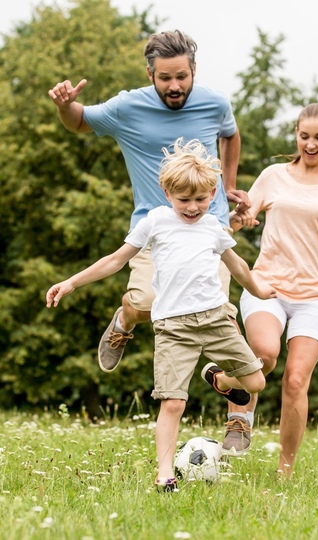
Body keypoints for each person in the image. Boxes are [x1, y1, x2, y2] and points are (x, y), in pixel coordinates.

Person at [46, 138, 276, 491]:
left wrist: (260, 290)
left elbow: (239, 266)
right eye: (184, 200)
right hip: (173, 328)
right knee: (172, 403)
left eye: (201, 199)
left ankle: (218, 379)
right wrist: (72, 282)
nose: (193, 207)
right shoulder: (155, 222)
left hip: (215, 320)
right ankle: (165, 473)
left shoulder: (214, 228)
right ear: (167, 192)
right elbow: (115, 260)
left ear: (212, 193)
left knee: (256, 381)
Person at [47, 29, 248, 374]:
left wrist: (227, 185)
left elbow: (229, 133)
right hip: (153, 230)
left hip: (209, 225)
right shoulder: (127, 107)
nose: (174, 86)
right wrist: (65, 106)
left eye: (182, 76)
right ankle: (125, 318)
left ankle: (239, 422)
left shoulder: (215, 103)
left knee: (223, 317)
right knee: (146, 304)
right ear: (150, 74)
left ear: (194, 71)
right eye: (165, 77)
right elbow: (78, 121)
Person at [228, 103, 318, 474]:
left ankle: (285, 470)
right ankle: (239, 415)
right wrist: (240, 219)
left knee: (295, 380)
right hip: (268, 285)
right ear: (296, 134)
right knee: (264, 352)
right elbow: (239, 219)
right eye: (304, 136)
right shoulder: (274, 175)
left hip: (317, 296)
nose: (310, 144)